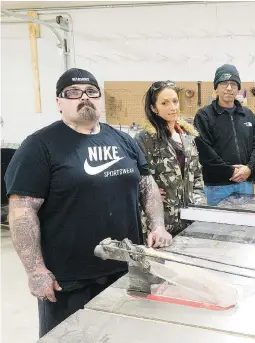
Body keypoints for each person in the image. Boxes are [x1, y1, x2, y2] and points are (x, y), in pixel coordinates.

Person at [5, 68, 171, 338]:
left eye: (92, 92)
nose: (84, 97)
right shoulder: (40, 146)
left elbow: (147, 185)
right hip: (69, 280)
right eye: (73, 93)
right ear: (59, 102)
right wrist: (35, 270)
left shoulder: (123, 141)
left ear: (100, 99)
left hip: (125, 270)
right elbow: (22, 210)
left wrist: (158, 226)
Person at [135, 81, 204, 236]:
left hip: (189, 219)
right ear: (154, 108)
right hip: (160, 223)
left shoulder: (187, 136)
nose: (172, 107)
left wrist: (199, 204)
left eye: (175, 101)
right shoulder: (145, 139)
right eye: (164, 103)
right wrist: (147, 192)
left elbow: (197, 175)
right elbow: (134, 177)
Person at [194, 64, 255, 205]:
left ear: (238, 88)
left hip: (245, 184)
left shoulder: (248, 115)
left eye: (233, 84)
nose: (229, 88)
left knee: (245, 226)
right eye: (224, 83)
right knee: (216, 226)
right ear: (216, 87)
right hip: (217, 187)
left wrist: (249, 169)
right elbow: (205, 153)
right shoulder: (204, 116)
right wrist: (230, 171)